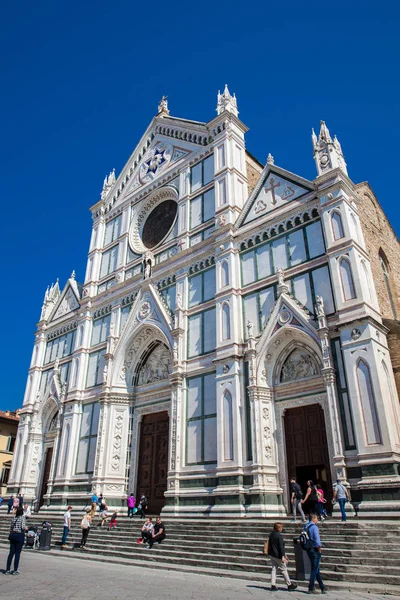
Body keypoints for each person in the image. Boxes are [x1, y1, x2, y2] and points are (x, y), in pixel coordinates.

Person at [264, 522, 297, 591]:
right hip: (278, 555)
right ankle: (289, 584)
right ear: (279, 528)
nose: (282, 529)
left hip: (272, 554)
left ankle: (273, 585)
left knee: (274, 569)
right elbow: (281, 547)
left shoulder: (271, 535)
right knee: (284, 569)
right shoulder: (279, 536)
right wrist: (283, 556)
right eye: (281, 527)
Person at [304, 513, 327, 594]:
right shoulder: (314, 527)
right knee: (314, 568)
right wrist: (319, 548)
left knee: (316, 568)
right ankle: (311, 587)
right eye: (317, 518)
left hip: (308, 549)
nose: (317, 519)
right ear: (313, 518)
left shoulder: (306, 526)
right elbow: (317, 540)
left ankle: (322, 586)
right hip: (314, 549)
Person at [5, 505, 27, 574]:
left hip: (13, 535)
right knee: (17, 553)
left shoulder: (14, 518)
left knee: (11, 553)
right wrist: (26, 528)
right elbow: (23, 527)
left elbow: (11, 527)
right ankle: (15, 570)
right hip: (19, 535)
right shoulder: (22, 518)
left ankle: (7, 569)